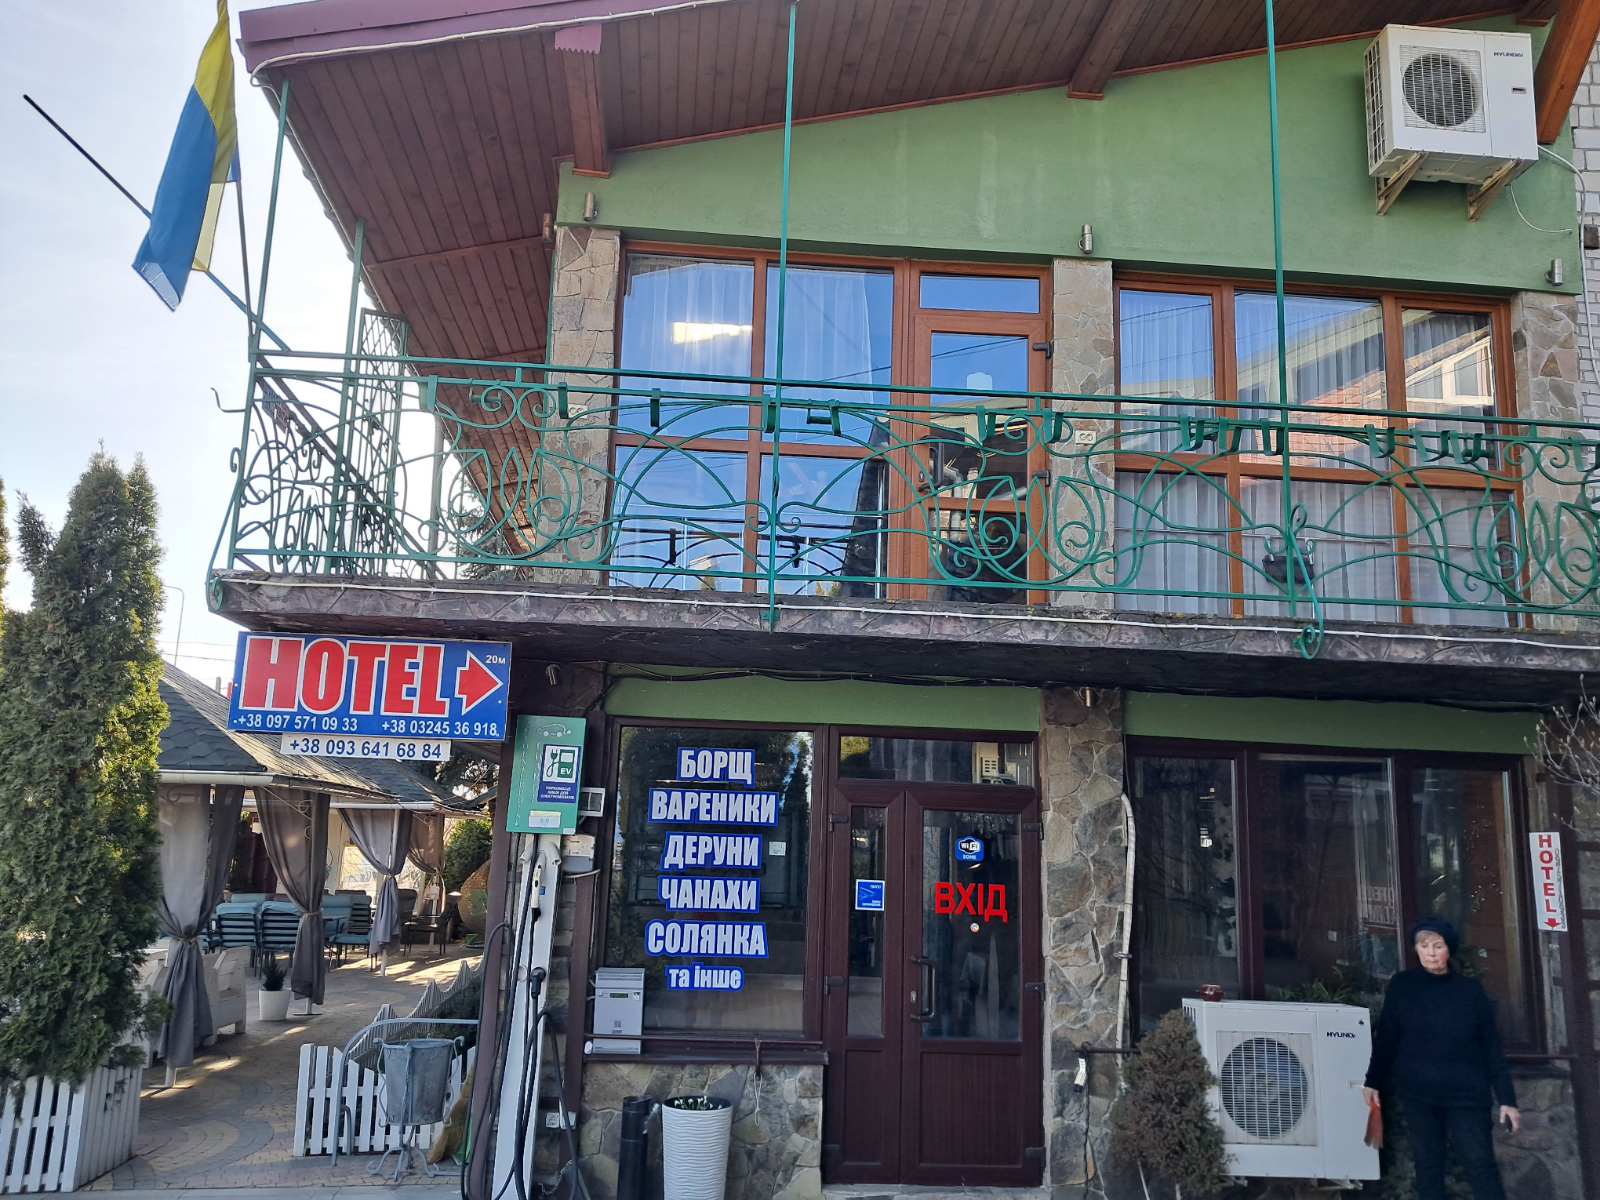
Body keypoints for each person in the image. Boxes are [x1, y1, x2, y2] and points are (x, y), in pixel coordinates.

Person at [1363, 917, 1519, 1200]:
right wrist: (1372, 1080)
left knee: (1480, 1164)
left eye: (1438, 945)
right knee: (1428, 1166)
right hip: (1418, 1093)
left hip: (1466, 1094)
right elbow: (1387, 1038)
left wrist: (1507, 1099)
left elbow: (1491, 1048)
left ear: (1449, 949)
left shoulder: (1470, 991)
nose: (1431, 953)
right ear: (1416, 949)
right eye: (1424, 946)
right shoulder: (1403, 986)